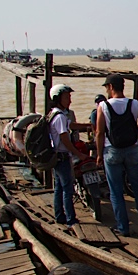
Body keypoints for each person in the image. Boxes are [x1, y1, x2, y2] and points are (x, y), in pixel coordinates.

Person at [95, 74, 138, 236]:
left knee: (115, 191)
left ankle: (123, 227)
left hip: (112, 151)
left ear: (110, 87)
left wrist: (99, 154)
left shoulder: (103, 106)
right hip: (131, 151)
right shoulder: (134, 104)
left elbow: (99, 133)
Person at [48, 84, 90, 227]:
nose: (69, 100)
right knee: (67, 189)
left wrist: (87, 126)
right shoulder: (59, 116)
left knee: (59, 187)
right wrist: (78, 154)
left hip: (57, 156)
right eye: (66, 97)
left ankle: (59, 216)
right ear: (57, 98)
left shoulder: (55, 114)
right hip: (62, 157)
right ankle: (71, 219)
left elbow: (71, 126)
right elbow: (65, 139)